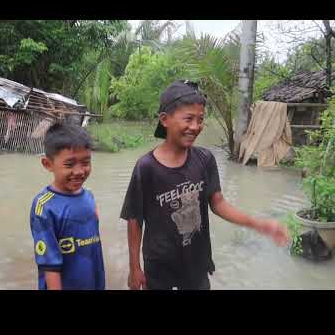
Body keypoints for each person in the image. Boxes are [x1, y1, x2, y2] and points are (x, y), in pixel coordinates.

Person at [120, 80, 290, 290]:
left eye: (200, 119)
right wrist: (134, 267)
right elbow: (134, 219)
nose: (195, 127)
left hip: (196, 260)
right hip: (159, 264)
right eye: (189, 119)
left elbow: (218, 203)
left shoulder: (205, 159)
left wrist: (258, 224)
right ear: (165, 119)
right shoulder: (146, 167)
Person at [30, 122, 105, 290]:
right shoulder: (44, 206)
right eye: (69, 164)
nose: (79, 171)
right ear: (48, 164)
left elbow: (94, 250)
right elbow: (50, 265)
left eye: (85, 162)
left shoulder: (89, 197)